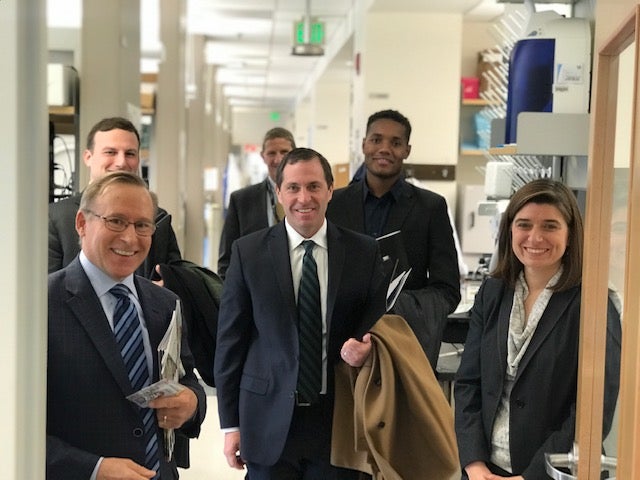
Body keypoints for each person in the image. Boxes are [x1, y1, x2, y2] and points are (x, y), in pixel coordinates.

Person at [214, 147, 387, 479]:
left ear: (330, 190)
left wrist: (369, 347)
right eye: (292, 187)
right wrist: (230, 425)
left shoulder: (363, 251)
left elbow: (378, 323)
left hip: (337, 421)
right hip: (266, 418)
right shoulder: (248, 253)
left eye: (313, 186)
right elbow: (230, 343)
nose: (303, 197)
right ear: (279, 192)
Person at [454, 179, 621, 480]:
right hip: (485, 470)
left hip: (555, 472)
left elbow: (593, 411)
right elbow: (468, 384)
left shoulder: (594, 304)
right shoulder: (493, 292)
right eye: (524, 224)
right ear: (510, 230)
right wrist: (474, 464)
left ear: (570, 235)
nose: (535, 237)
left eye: (550, 226)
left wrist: (530, 477)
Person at [47, 171, 206, 480]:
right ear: (82, 223)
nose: (130, 238)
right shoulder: (41, 306)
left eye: (142, 225)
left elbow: (188, 381)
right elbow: (12, 426)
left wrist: (191, 403)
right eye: (116, 221)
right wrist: (93, 470)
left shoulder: (166, 303)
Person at [326, 109, 461, 368]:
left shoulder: (430, 208)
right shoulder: (335, 205)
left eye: (395, 143)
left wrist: (397, 310)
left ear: (407, 150)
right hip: (339, 346)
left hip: (403, 348)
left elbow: (448, 290)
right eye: (376, 140)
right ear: (364, 145)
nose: (385, 149)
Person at [48, 116, 182, 279]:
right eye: (110, 152)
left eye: (130, 154)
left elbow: (175, 278)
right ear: (88, 157)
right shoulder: (55, 218)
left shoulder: (158, 218)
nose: (121, 162)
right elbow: (46, 292)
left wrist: (161, 289)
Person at [217, 127, 296, 278]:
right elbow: (226, 259)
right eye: (271, 153)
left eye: (284, 152)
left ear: (294, 154)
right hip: (253, 286)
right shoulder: (241, 201)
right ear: (262, 156)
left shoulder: (306, 198)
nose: (278, 159)